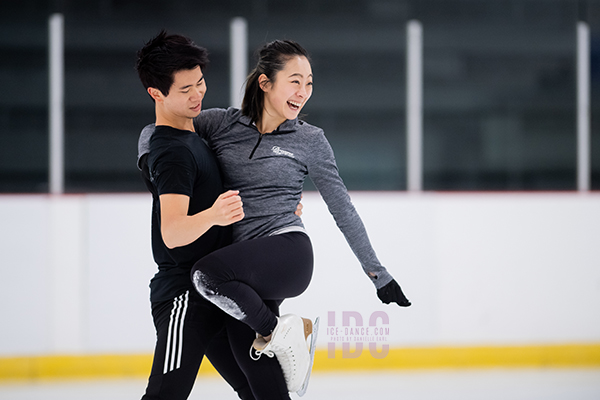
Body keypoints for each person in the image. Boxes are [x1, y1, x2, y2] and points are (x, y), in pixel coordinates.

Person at [185, 39, 412, 391]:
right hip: (245, 269)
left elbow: (342, 209)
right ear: (265, 82)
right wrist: (148, 161)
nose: (303, 91)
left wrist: (378, 275)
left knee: (205, 275)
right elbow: (160, 137)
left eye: (309, 83)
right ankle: (283, 335)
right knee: (256, 383)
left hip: (286, 252)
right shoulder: (219, 125)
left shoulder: (310, 140)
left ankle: (279, 333)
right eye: (294, 80)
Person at [135, 31, 296, 400]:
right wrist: (214, 214)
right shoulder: (171, 152)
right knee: (166, 393)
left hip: (218, 288)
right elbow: (173, 232)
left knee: (256, 388)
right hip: (185, 295)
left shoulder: (196, 136)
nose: (197, 96)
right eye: (185, 90)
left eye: (200, 83)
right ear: (156, 94)